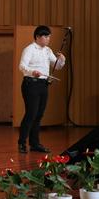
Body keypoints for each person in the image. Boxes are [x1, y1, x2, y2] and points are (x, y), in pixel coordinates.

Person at [17, 25, 65, 154]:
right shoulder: (29, 49)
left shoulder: (48, 50)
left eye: (49, 36)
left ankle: (34, 143)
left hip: (43, 84)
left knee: (39, 114)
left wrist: (62, 59)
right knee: (31, 113)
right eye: (46, 36)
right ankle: (22, 142)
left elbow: (57, 66)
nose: (48, 39)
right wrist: (32, 71)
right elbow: (22, 66)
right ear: (38, 37)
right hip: (31, 84)